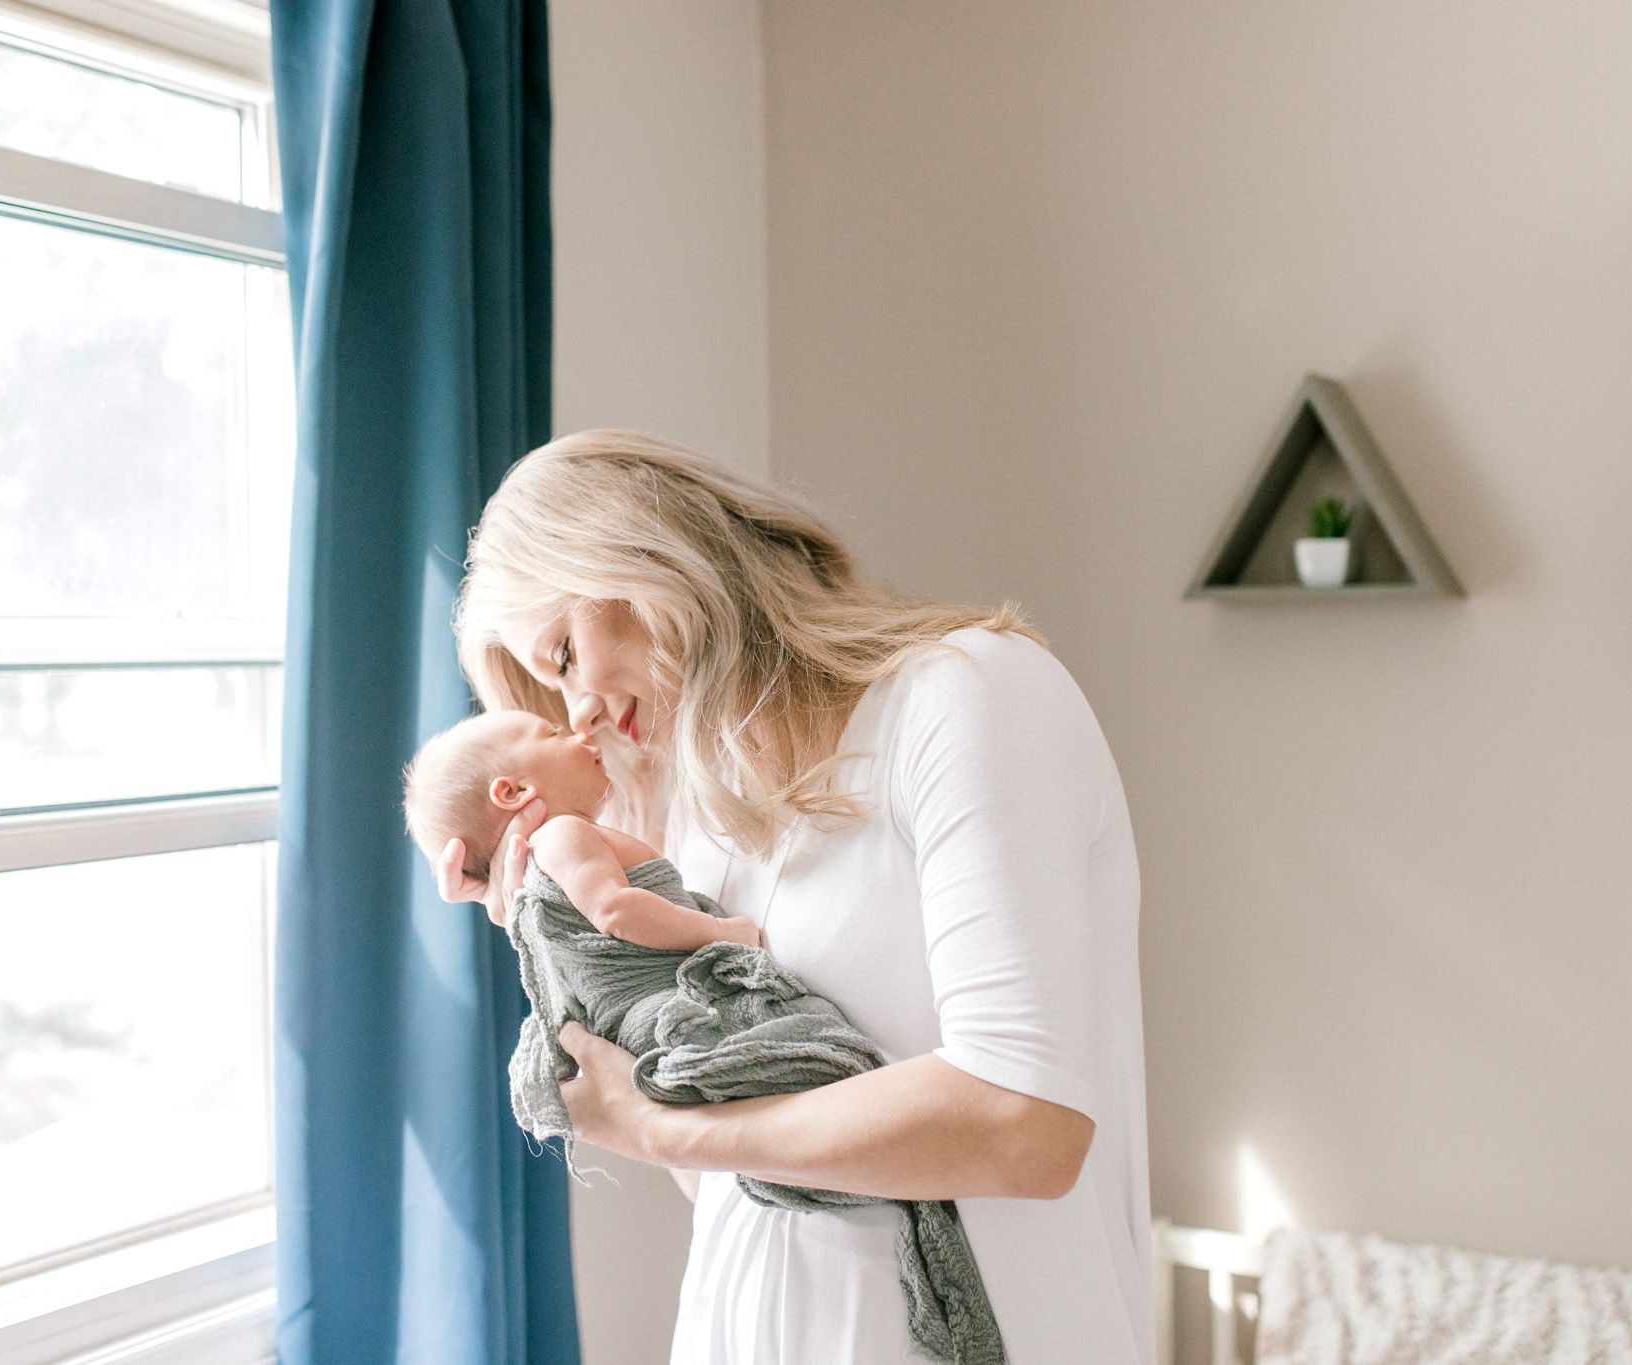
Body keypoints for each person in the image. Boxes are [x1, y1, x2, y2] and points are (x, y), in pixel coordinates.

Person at [435, 430, 1153, 1365]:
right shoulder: (697, 811)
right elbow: (735, 1169)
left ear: (643, 556)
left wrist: (654, 1128)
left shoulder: (967, 696)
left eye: (564, 653)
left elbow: (1026, 1126)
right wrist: (566, 943)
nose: (578, 714)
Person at [401, 708, 762, 950]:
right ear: (514, 791)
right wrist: (722, 934)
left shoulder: (548, 862)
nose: (579, 734)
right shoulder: (561, 835)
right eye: (553, 734)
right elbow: (615, 911)